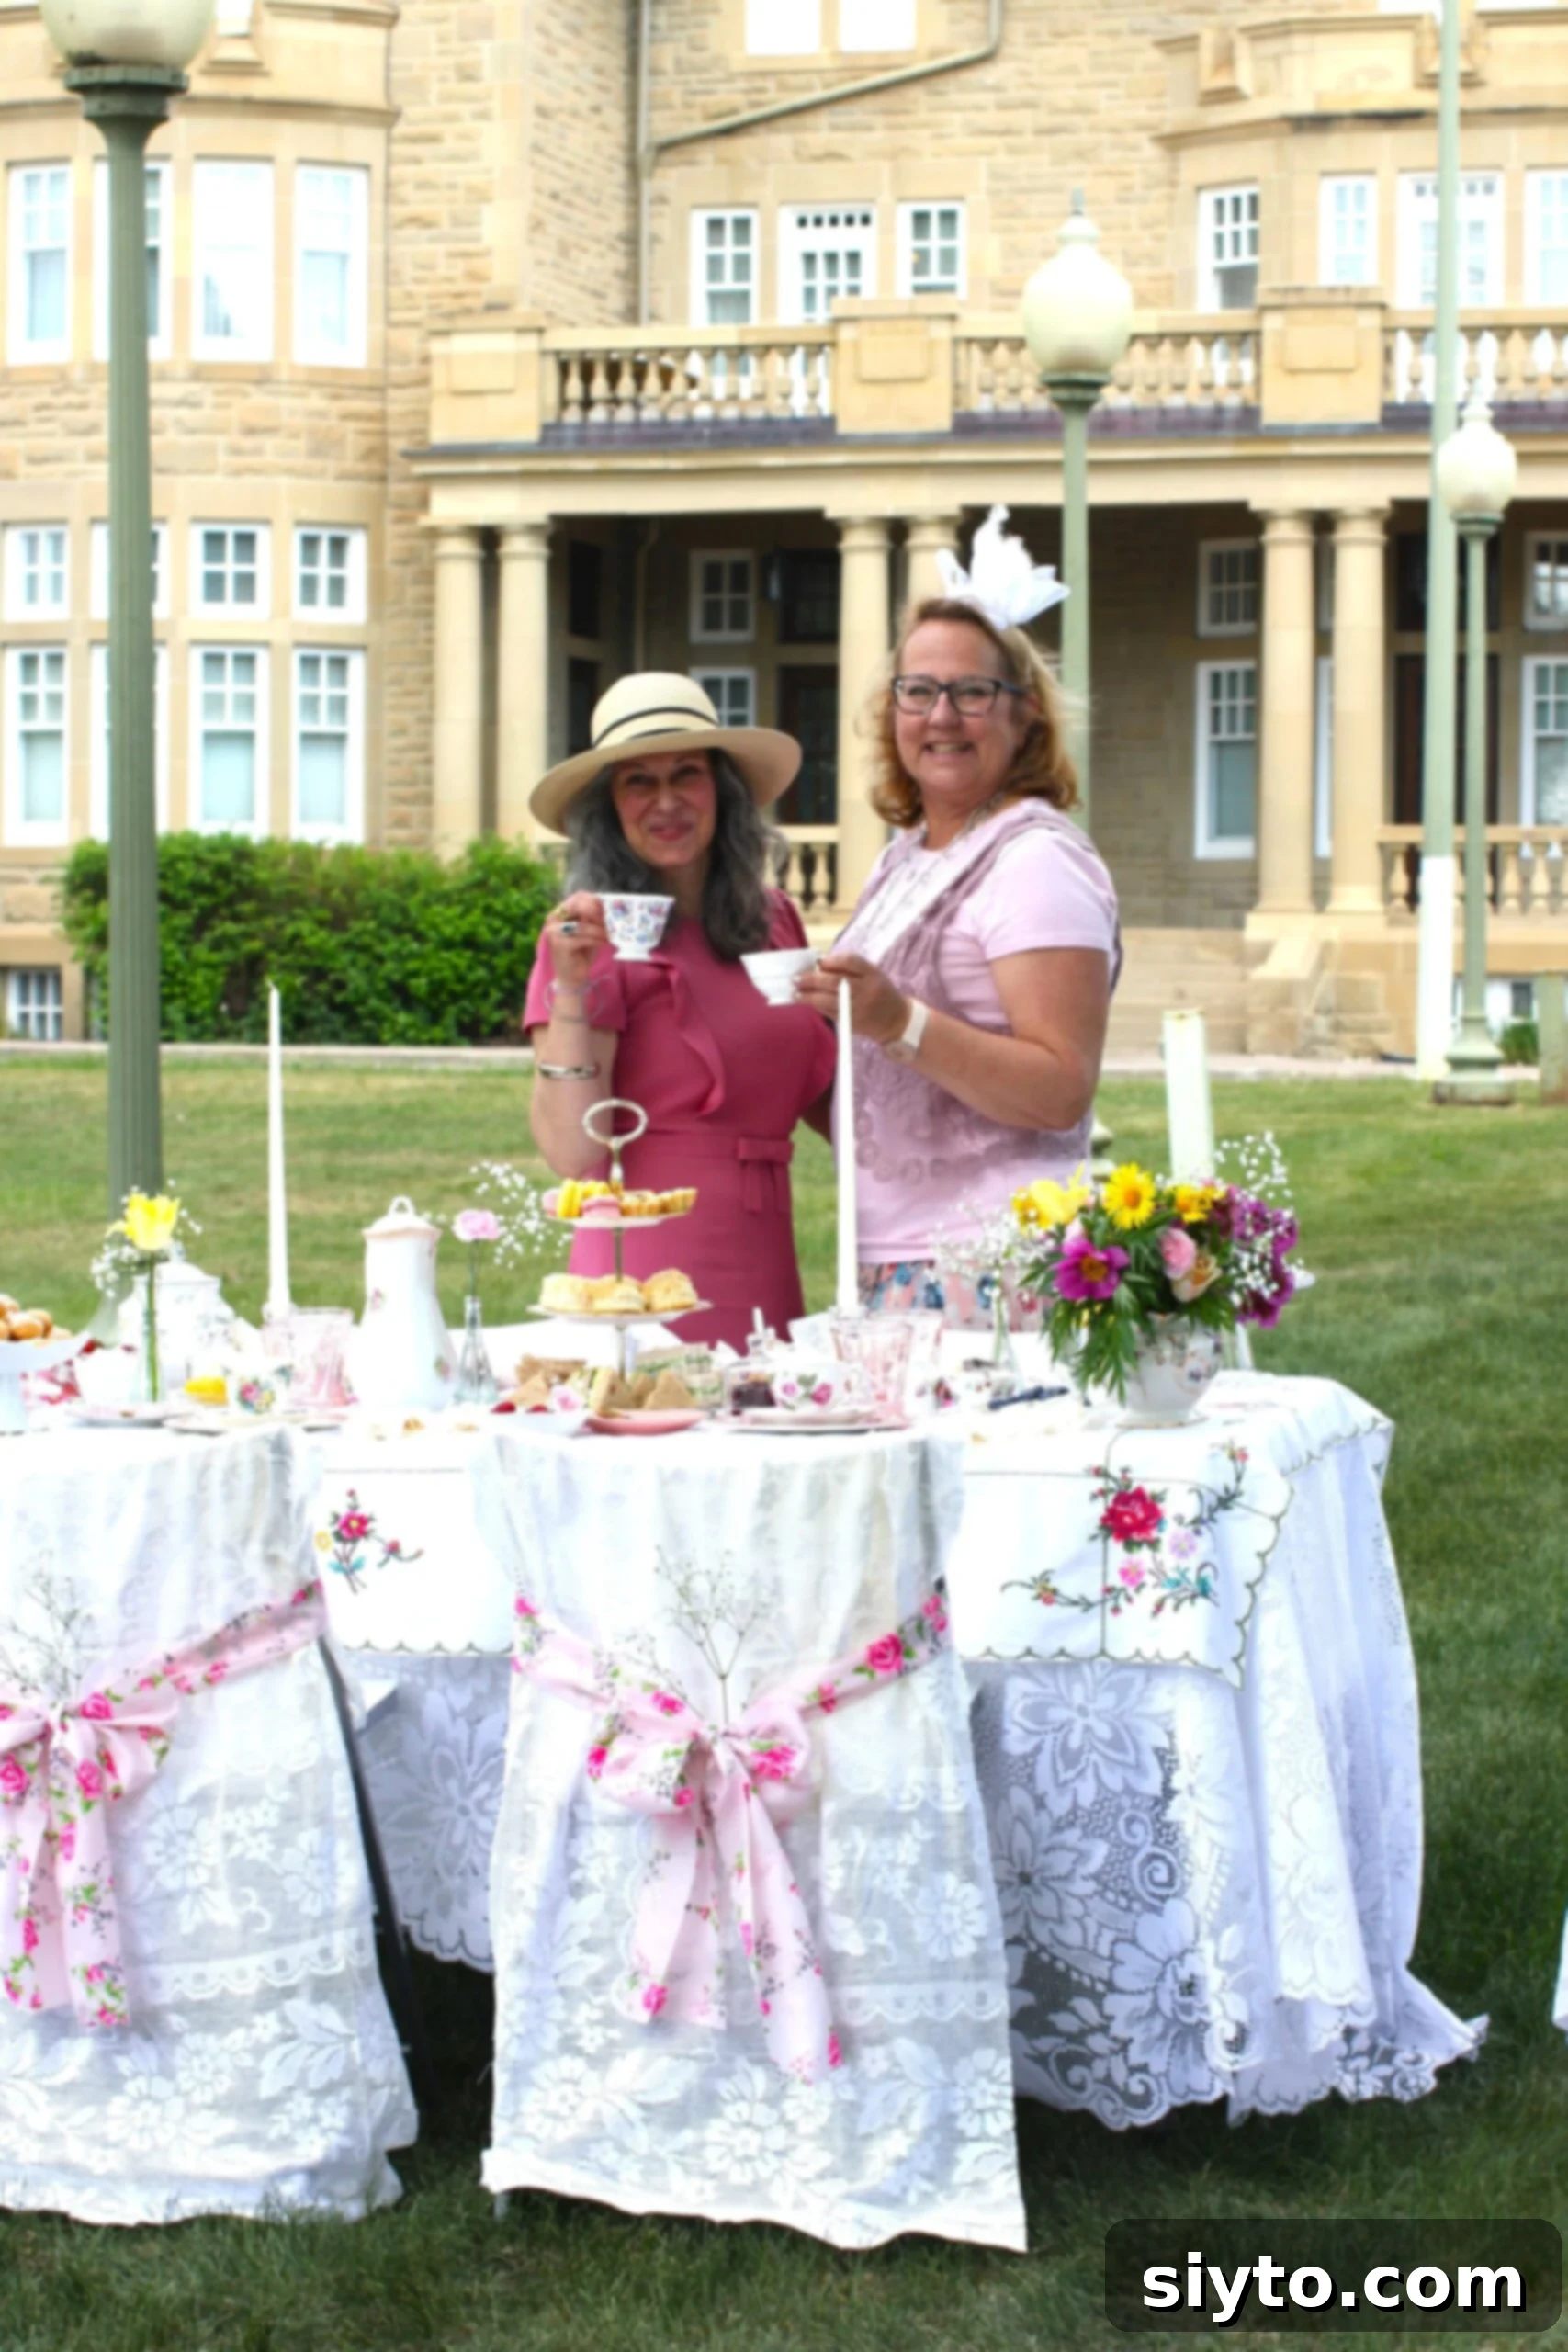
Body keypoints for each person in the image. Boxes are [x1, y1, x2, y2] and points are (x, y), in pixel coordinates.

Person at [794, 513, 1120, 1323]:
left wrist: (896, 1019)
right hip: (888, 1265)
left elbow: (1058, 1092)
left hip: (991, 1269)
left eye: (972, 692)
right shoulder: (903, 856)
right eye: (917, 690)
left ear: (1025, 714)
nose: (939, 716)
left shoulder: (1035, 860)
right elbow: (884, 1083)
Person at [524, 673, 837, 1351]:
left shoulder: (774, 920)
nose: (665, 801)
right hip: (645, 1262)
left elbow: (824, 1098)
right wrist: (571, 991)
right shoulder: (587, 936)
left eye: (685, 774)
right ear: (610, 805)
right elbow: (573, 1153)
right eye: (638, 780)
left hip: (765, 1248)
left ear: (721, 792)